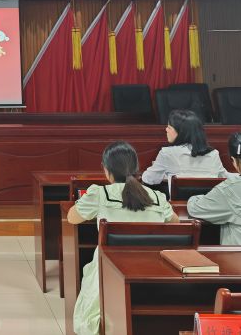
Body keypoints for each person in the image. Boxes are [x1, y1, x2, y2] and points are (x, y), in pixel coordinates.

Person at [68, 141, 177, 335]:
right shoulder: (156, 197)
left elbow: (72, 218)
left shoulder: (100, 194)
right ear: (136, 169)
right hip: (152, 270)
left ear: (106, 170)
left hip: (110, 271)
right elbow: (175, 223)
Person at [141, 110, 229, 189]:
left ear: (181, 132)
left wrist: (164, 175)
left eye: (169, 127)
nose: (166, 129)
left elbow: (149, 179)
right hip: (209, 201)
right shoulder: (213, 154)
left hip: (180, 202)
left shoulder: (167, 153)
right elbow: (224, 177)